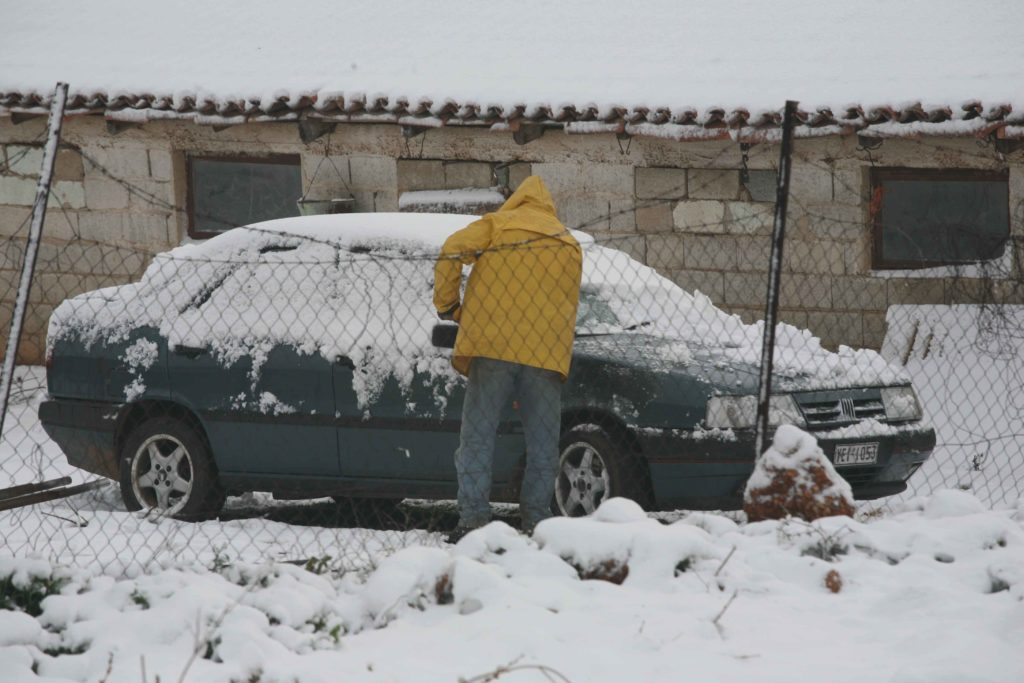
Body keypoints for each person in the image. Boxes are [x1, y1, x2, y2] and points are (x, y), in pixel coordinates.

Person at [433, 176, 582, 541]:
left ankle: (472, 520)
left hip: (493, 344)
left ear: (516, 201)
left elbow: (452, 248)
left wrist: (449, 305)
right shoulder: (568, 243)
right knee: (544, 442)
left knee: (479, 435)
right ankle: (536, 519)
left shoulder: (499, 225)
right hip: (545, 353)